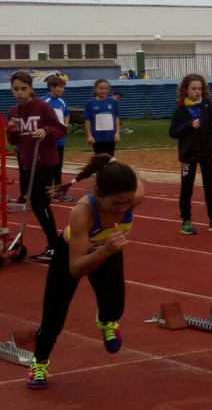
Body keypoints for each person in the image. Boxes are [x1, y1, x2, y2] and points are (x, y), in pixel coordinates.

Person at [26, 155, 145, 389]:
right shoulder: (83, 212)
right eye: (117, 203)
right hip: (73, 255)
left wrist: (112, 160)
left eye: (127, 202)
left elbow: (134, 171)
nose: (123, 208)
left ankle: (105, 320)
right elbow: (77, 268)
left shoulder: (134, 195)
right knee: (53, 318)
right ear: (99, 194)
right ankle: (39, 362)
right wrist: (107, 249)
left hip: (109, 249)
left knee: (115, 309)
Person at [7, 72, 66, 263]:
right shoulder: (14, 111)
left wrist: (46, 130)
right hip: (26, 162)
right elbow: (14, 140)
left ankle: (54, 246)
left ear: (31, 89)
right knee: (35, 204)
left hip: (44, 162)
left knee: (41, 204)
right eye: (16, 89)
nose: (20, 93)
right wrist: (12, 131)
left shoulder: (42, 107)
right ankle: (53, 245)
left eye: (23, 89)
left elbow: (60, 129)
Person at [169, 74, 212, 235]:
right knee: (187, 188)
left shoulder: (207, 105)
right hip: (189, 154)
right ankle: (186, 221)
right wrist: (189, 124)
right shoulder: (180, 110)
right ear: (185, 90)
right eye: (193, 88)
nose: (197, 92)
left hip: (207, 153)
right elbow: (173, 132)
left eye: (200, 89)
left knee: (210, 187)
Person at [42, 76, 73, 202]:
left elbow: (67, 114)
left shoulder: (62, 102)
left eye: (63, 87)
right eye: (60, 87)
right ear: (52, 87)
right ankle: (48, 192)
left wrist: (65, 126)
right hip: (49, 141)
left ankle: (59, 192)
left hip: (60, 140)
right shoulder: (44, 102)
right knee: (48, 167)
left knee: (58, 167)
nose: (63, 90)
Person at [84, 79, 120, 156]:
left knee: (110, 159)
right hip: (97, 137)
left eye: (106, 88)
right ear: (95, 89)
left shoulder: (112, 102)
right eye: (101, 88)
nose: (103, 91)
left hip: (110, 137)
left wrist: (117, 132)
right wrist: (89, 136)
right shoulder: (90, 103)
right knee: (99, 159)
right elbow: (87, 120)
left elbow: (116, 117)